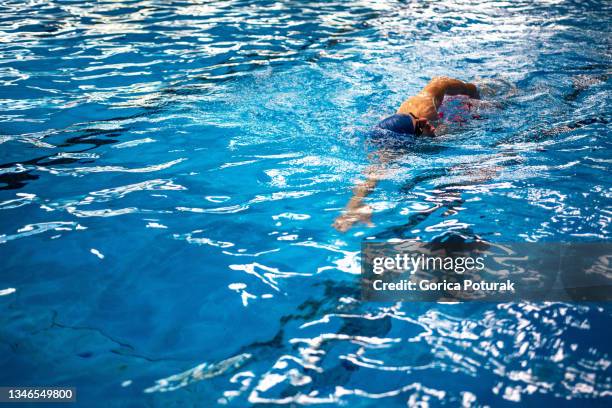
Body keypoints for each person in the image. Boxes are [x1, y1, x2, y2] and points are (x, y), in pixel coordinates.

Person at [333, 76, 480, 232]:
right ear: (411, 139)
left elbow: (439, 82)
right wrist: (353, 207)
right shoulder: (397, 150)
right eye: (418, 127)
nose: (424, 121)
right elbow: (372, 177)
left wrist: (472, 92)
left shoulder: (423, 109)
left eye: (416, 119)